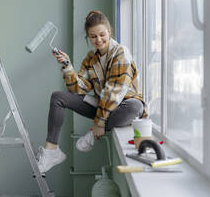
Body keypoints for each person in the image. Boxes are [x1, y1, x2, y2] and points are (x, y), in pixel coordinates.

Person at [36, 10, 147, 174]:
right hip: (102, 106)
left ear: (109, 31)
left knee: (134, 107)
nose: (98, 40)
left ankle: (92, 132)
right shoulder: (91, 59)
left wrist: (99, 123)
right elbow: (77, 89)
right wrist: (67, 66)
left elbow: (113, 92)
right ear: (88, 37)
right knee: (57, 97)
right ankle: (52, 150)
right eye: (93, 37)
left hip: (123, 105)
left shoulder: (121, 53)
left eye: (102, 34)